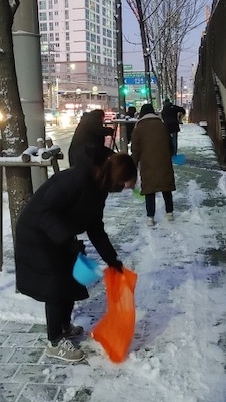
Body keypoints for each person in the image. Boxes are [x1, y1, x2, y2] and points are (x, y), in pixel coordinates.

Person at [14, 147, 137, 362]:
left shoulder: (99, 188)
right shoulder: (77, 180)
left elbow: (95, 228)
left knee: (70, 280)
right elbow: (45, 212)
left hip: (59, 235)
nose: (124, 189)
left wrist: (112, 260)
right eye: (125, 185)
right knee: (56, 285)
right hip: (37, 233)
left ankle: (63, 326)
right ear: (117, 178)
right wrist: (67, 242)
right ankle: (54, 342)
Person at [131, 103, 176, 227]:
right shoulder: (162, 125)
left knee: (149, 189)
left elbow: (135, 149)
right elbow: (170, 144)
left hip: (147, 163)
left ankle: (150, 217)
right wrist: (169, 155)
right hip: (163, 161)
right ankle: (170, 213)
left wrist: (133, 163)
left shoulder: (139, 127)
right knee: (166, 187)